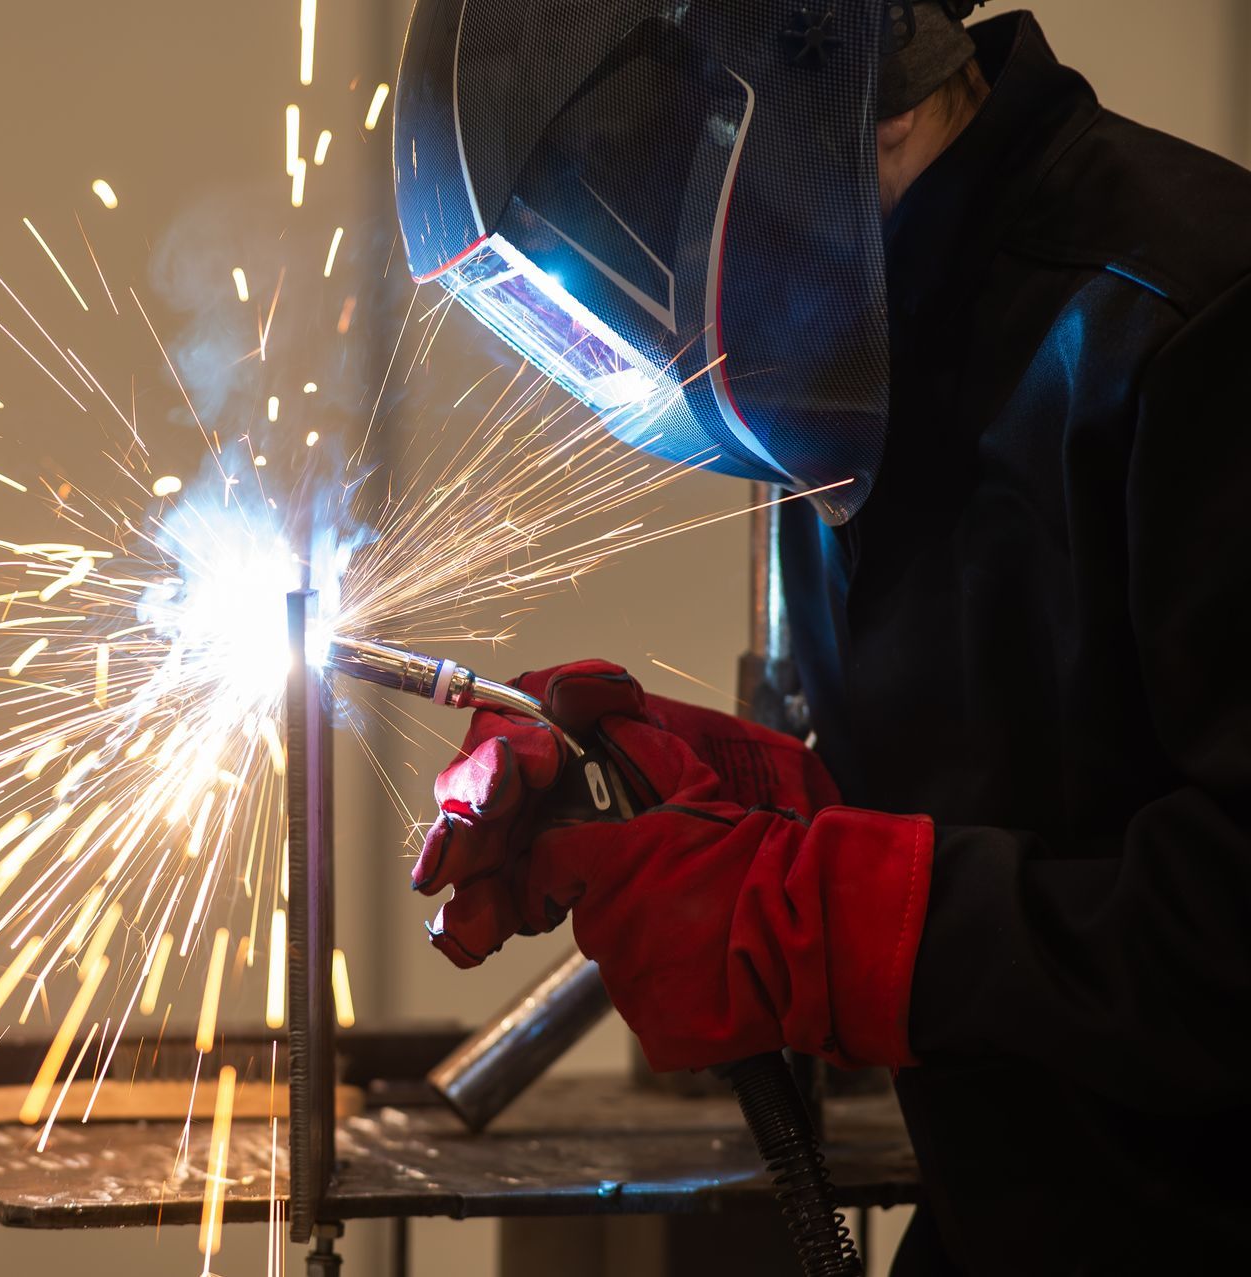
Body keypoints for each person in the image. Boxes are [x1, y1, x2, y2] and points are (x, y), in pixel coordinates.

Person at [392, 3, 1251, 1272]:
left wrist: (839, 923)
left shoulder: (1198, 323)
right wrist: (695, 800)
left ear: (849, 94)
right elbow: (1007, 811)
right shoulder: (861, 368)